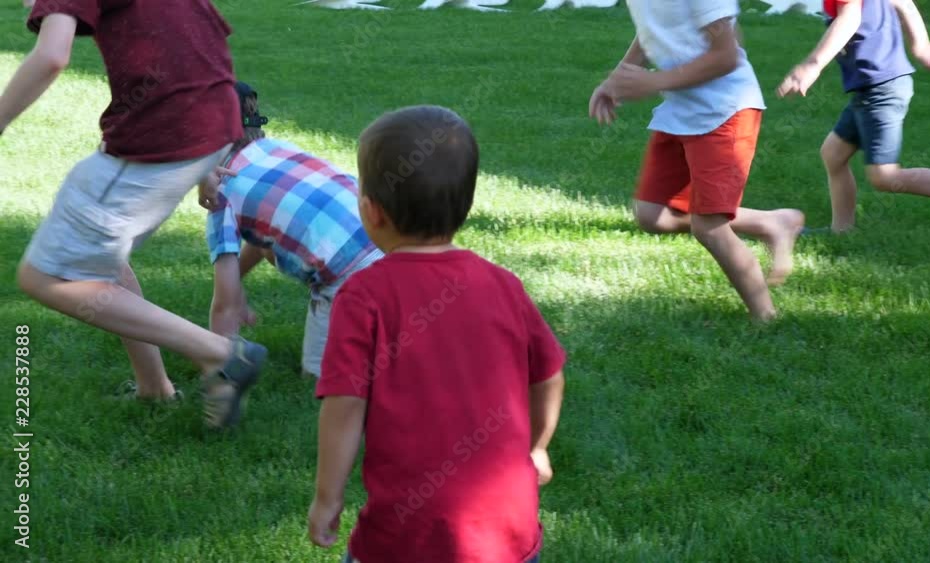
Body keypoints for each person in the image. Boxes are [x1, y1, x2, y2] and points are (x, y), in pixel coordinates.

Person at [307, 106, 566, 563]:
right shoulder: (503, 285)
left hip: (407, 536)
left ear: (372, 211)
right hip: (510, 534)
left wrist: (327, 497)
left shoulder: (363, 296)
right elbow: (548, 374)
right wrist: (538, 448)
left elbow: (344, 405)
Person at [0, 1, 266, 428]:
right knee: (101, 256)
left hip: (157, 142)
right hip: (214, 123)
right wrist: (202, 159)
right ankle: (154, 386)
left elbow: (51, 56)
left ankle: (221, 355)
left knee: (46, 277)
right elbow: (200, 41)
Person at [590, 0, 805, 322]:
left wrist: (653, 82)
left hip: (725, 111)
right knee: (653, 215)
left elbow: (726, 56)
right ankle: (771, 222)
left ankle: (766, 318)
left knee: (709, 227)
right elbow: (652, 29)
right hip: (682, 109)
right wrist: (617, 80)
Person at [777, 0, 930, 236]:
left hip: (881, 88)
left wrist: (812, 64)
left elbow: (850, 17)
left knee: (884, 176)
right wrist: (921, 46)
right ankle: (842, 230)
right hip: (873, 86)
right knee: (833, 154)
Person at [206, 83, 382, 378]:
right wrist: (238, 282)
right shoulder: (278, 149)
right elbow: (266, 232)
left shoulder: (220, 193)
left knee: (321, 379)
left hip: (345, 276)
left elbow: (224, 306)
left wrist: (218, 363)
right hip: (390, 241)